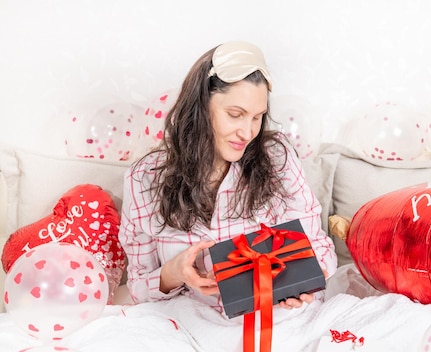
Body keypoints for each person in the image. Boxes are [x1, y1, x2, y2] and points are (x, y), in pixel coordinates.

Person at [119, 41, 337, 310]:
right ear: (200, 107)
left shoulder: (276, 157)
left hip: (275, 320)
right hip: (187, 324)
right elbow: (139, 287)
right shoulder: (144, 178)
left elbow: (319, 248)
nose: (247, 133)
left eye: (257, 117)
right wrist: (174, 271)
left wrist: (305, 283)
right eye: (235, 115)